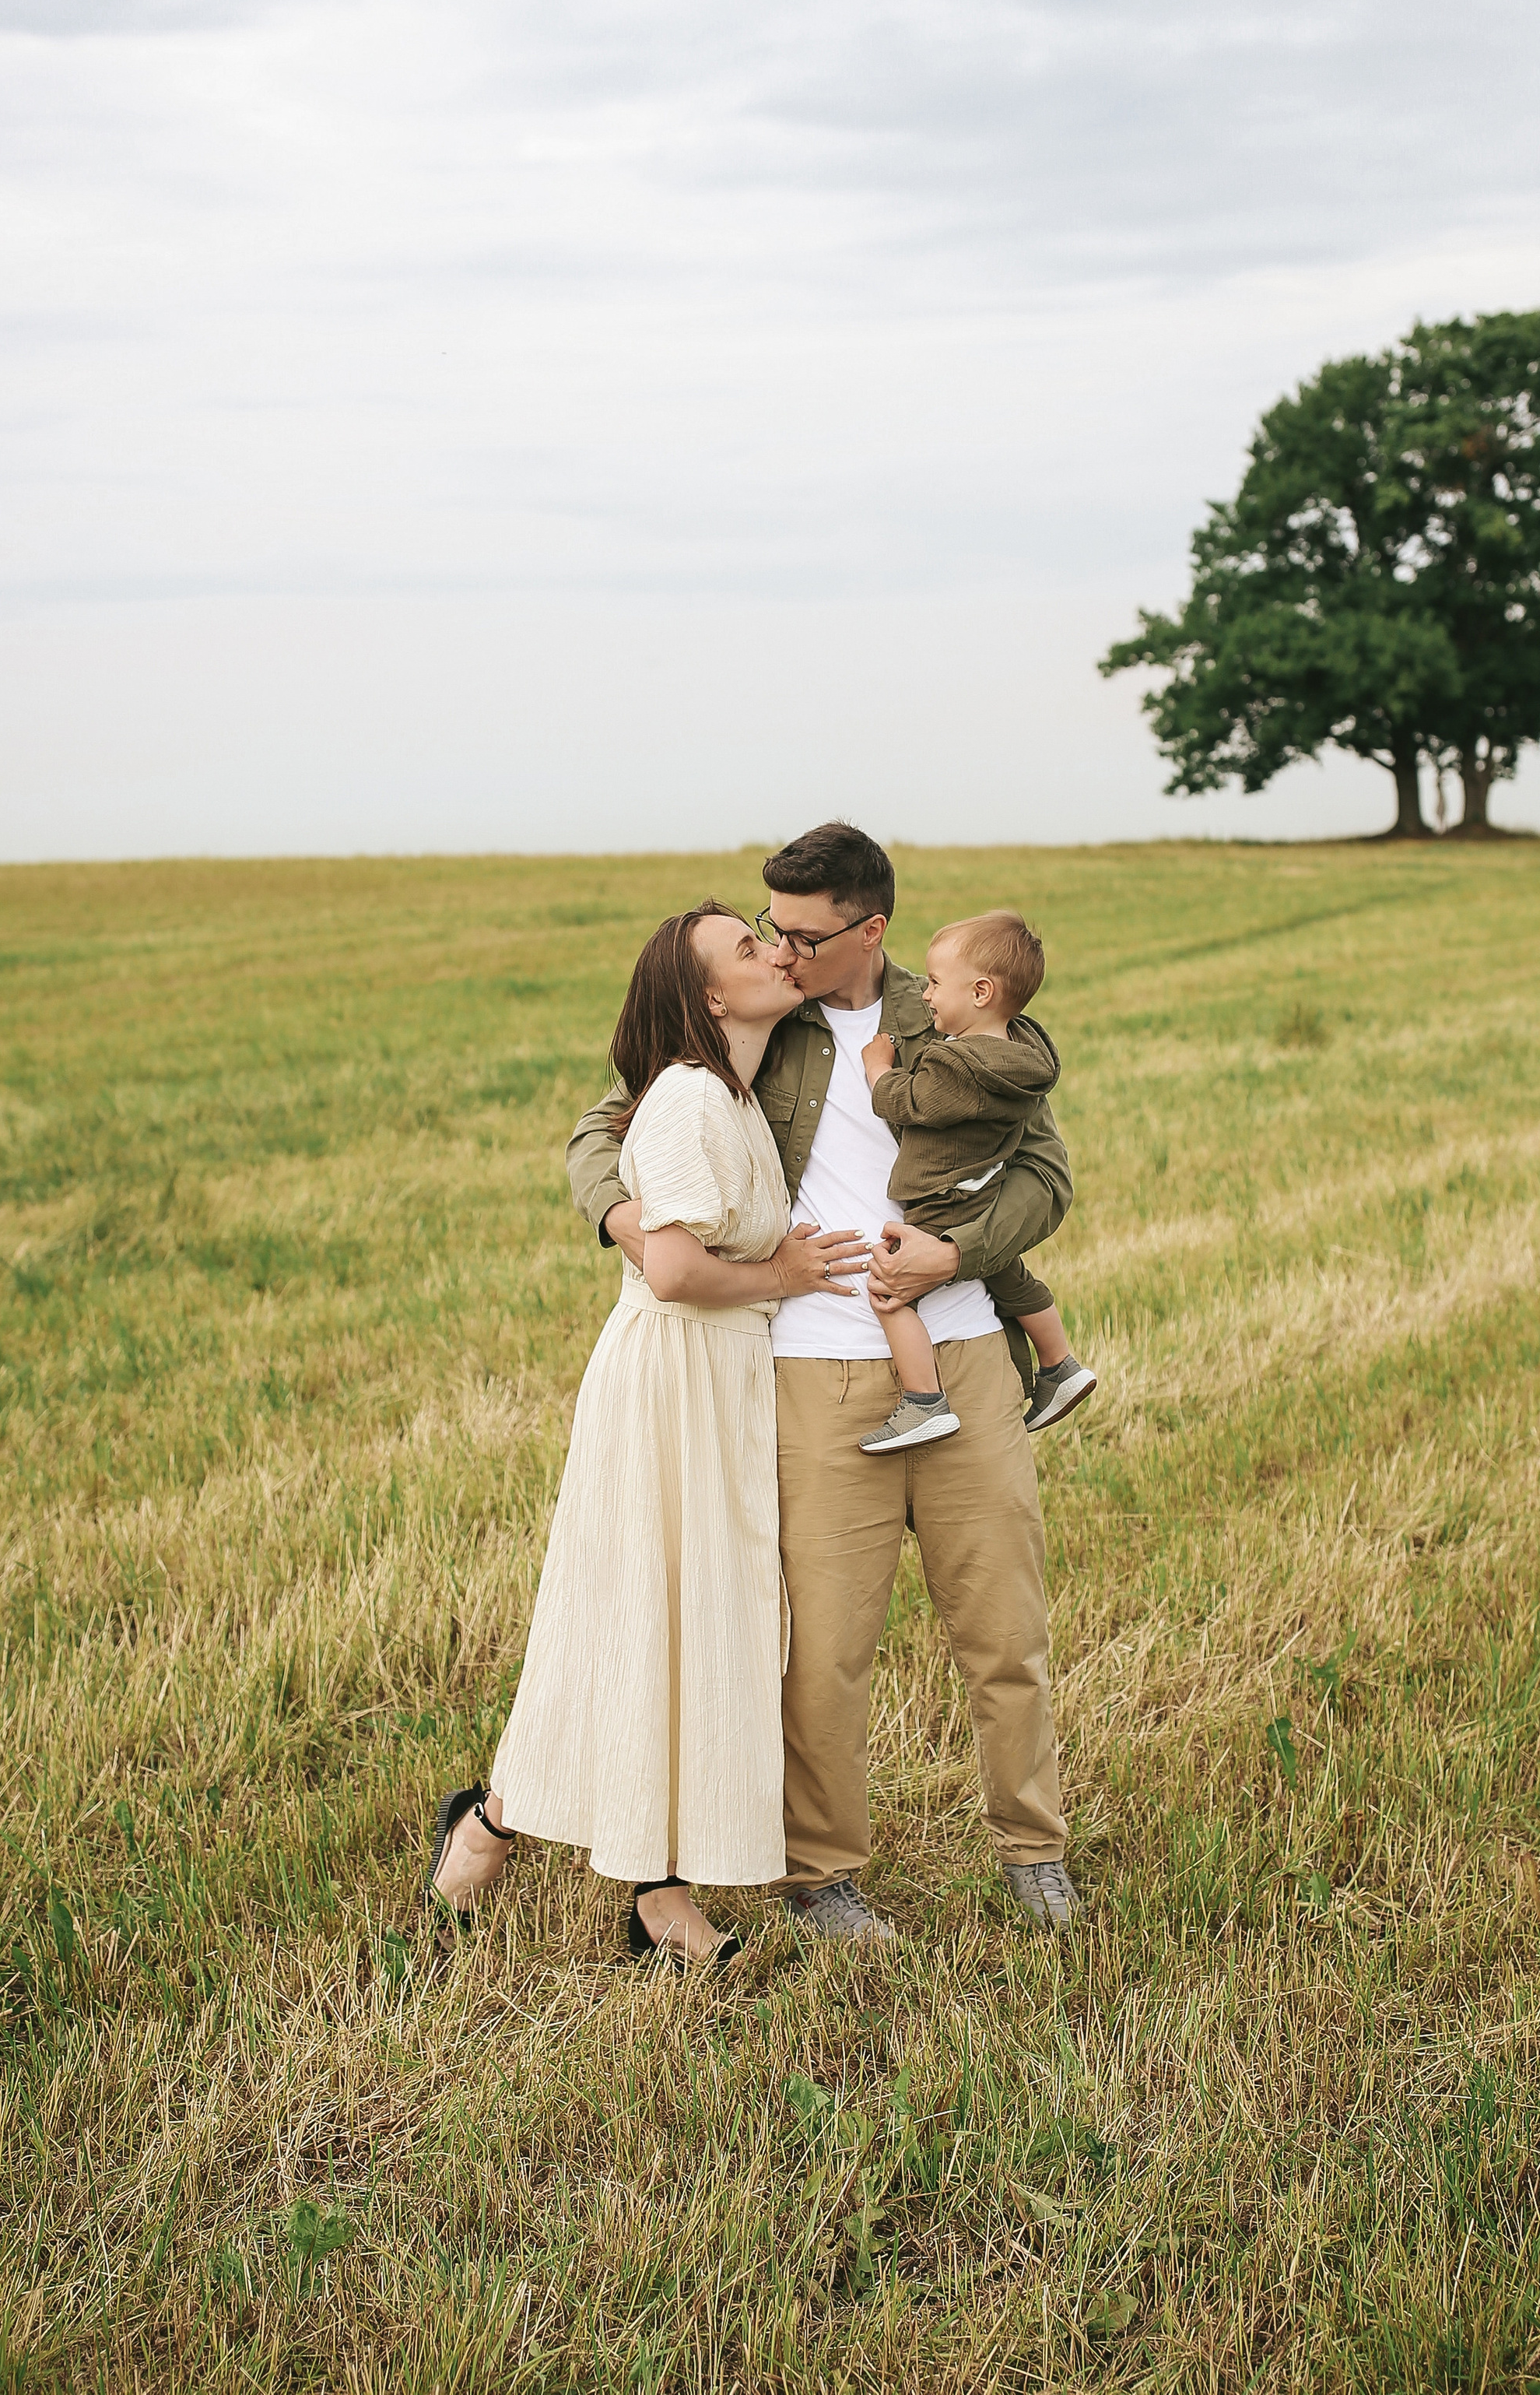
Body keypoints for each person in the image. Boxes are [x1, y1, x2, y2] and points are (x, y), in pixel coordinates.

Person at [567, 820, 1080, 1940]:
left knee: (1004, 1632)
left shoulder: (954, 1020)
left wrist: (964, 1251)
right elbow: (605, 1126)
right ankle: (824, 1877)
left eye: (804, 935)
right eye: (771, 933)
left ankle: (1034, 1850)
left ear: (872, 929)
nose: (782, 952)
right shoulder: (763, 1029)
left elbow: (1045, 1170)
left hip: (963, 1360)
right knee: (823, 1656)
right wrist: (632, 1224)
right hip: (809, 1378)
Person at [425, 901, 866, 1965]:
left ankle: (640, 1883)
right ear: (711, 995)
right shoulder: (683, 1100)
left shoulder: (735, 1095)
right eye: (750, 947)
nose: (776, 950)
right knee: (631, 1622)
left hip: (715, 1383)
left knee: (692, 1629)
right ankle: (503, 1835)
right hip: (668, 1380)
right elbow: (669, 1268)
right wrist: (784, 1275)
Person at [854, 908, 1096, 1454]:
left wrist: (878, 1067)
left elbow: (906, 1102)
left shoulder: (956, 1065)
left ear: (982, 992)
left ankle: (924, 1402)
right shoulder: (1020, 1055)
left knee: (891, 1293)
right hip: (982, 1193)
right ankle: (1060, 1364)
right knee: (1008, 1274)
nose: (926, 995)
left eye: (936, 983)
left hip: (943, 1199)